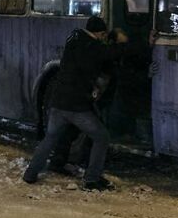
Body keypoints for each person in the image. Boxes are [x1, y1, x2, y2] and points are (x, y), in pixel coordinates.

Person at [22, 16, 143, 191]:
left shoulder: (75, 37)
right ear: (100, 33)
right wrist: (142, 44)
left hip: (58, 101)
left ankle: (30, 174)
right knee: (101, 136)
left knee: (50, 138)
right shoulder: (92, 48)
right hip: (75, 105)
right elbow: (113, 53)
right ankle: (92, 179)